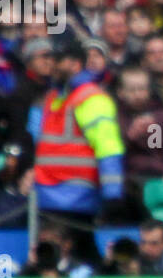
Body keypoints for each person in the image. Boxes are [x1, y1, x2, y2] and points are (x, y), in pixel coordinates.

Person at [34, 42, 125, 265]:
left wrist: (113, 192)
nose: (52, 65)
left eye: (58, 60)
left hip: (76, 197)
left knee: (79, 254)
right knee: (66, 257)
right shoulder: (55, 98)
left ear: (75, 64)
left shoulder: (91, 99)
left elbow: (108, 146)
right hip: (50, 194)